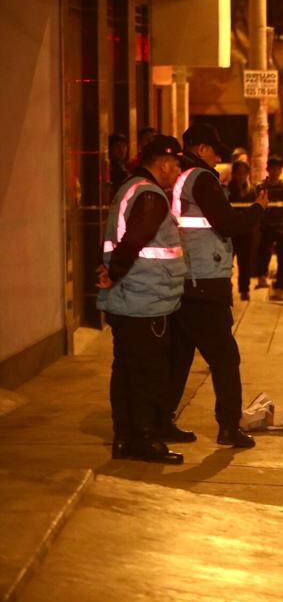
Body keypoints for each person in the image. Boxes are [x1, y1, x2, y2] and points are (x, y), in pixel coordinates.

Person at [163, 123, 267, 449]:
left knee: (179, 358)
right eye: (214, 151)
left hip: (186, 278)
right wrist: (258, 209)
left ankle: (160, 421)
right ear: (201, 148)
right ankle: (229, 427)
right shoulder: (202, 178)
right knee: (225, 357)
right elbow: (227, 223)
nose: (218, 158)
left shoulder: (182, 177)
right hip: (205, 281)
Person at [97, 135, 187, 464]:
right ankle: (145, 440)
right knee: (148, 373)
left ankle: (125, 438)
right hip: (145, 299)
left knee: (126, 371)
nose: (177, 172)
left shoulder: (129, 187)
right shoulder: (151, 196)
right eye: (176, 166)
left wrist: (111, 273)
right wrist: (115, 272)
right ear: (163, 164)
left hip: (128, 298)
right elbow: (133, 242)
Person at [256, 154, 283, 300]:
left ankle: (279, 288)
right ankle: (262, 276)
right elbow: (260, 206)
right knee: (264, 252)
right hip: (267, 227)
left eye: (278, 168)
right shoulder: (261, 187)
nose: (275, 171)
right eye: (273, 168)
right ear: (268, 169)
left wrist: (272, 208)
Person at [227, 159, 259, 301]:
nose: (241, 176)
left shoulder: (251, 191)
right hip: (231, 231)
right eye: (238, 173)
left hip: (246, 231)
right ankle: (227, 287)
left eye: (244, 173)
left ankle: (244, 289)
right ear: (233, 174)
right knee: (227, 262)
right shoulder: (227, 190)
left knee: (245, 261)